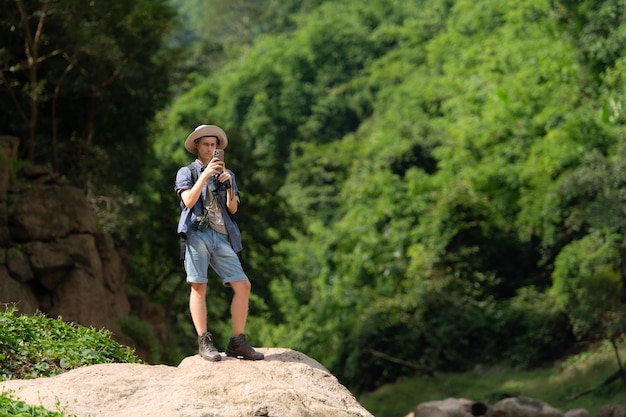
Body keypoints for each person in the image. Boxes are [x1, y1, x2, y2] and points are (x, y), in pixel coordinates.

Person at [175, 124, 264, 361]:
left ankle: (238, 341)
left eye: (214, 145)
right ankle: (204, 340)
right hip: (197, 233)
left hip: (222, 234)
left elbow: (233, 208)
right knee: (198, 285)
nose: (210, 149)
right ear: (197, 146)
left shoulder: (227, 174)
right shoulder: (186, 172)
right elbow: (188, 201)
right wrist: (205, 176)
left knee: (243, 285)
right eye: (206, 144)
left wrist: (229, 186)